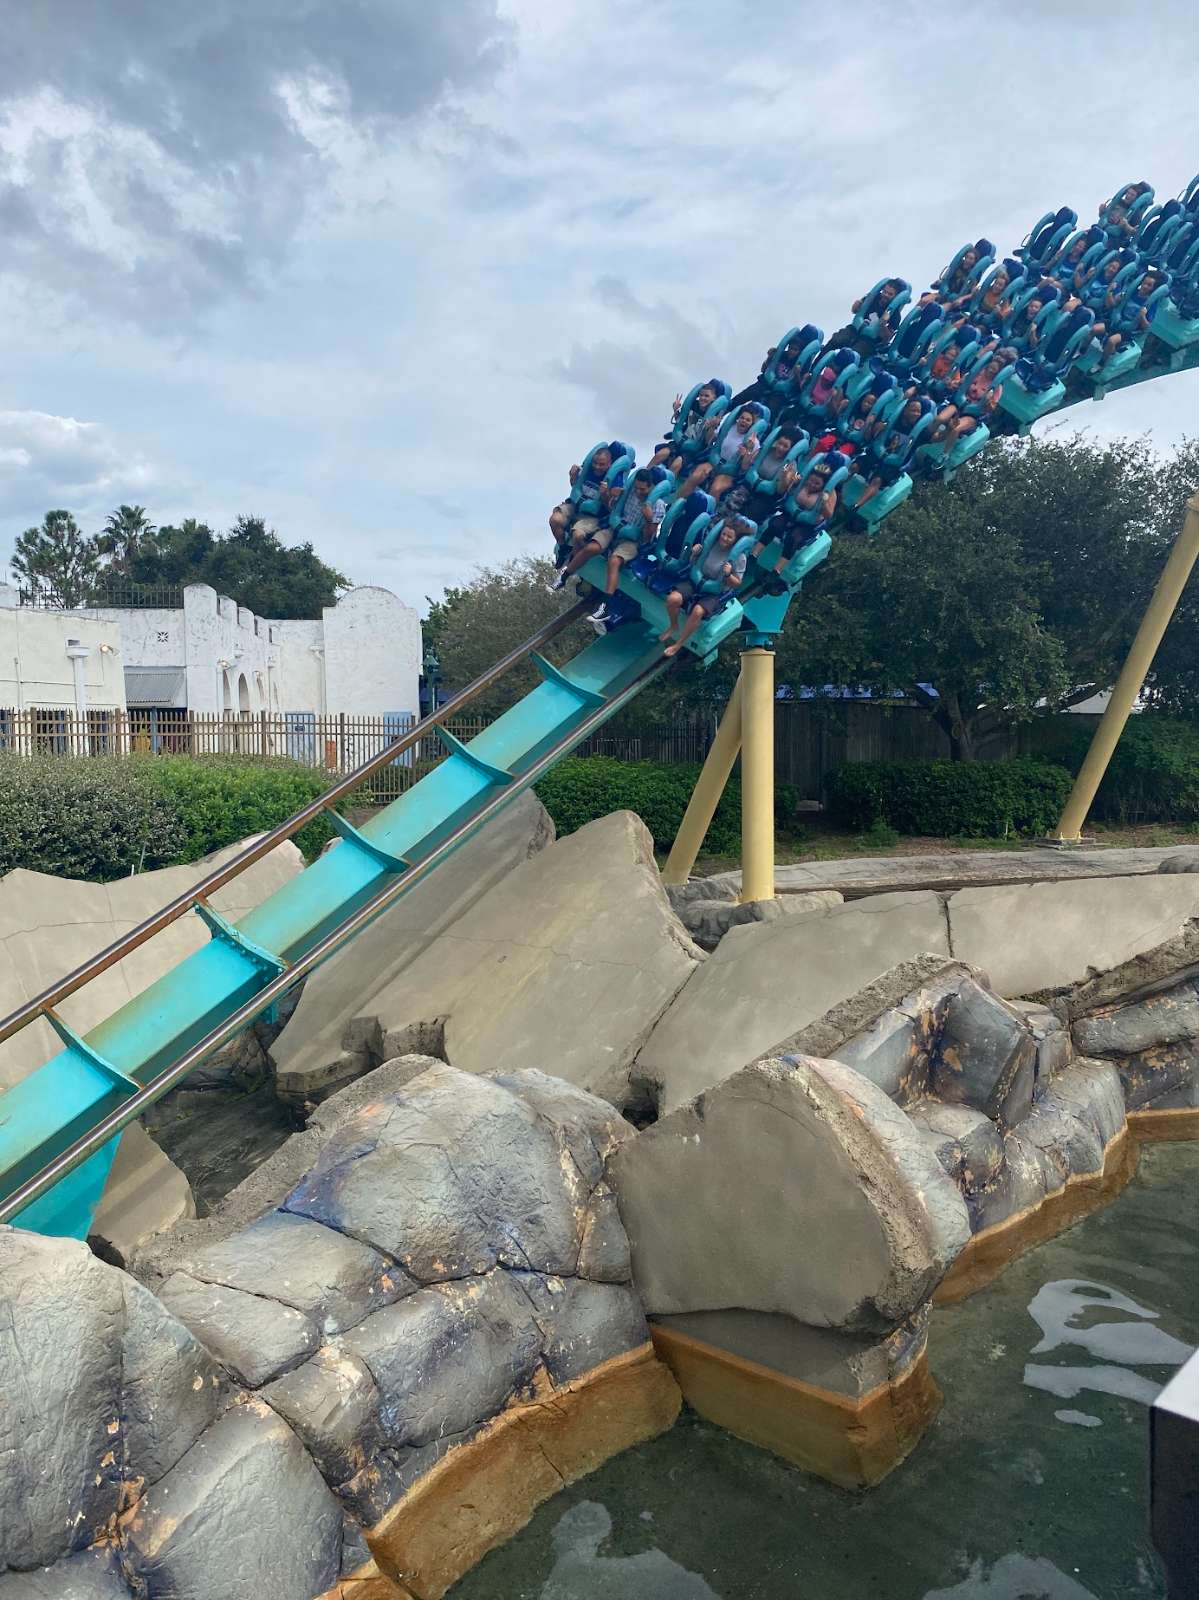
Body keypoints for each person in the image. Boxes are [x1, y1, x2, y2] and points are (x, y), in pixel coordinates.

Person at [658, 519, 751, 657]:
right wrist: (694, 553)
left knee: (698, 611)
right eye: (723, 534)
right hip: (697, 581)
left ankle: (678, 644)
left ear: (736, 540)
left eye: (729, 537)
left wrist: (728, 574)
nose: (724, 538)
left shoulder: (740, 557)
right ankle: (673, 625)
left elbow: (737, 583)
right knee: (673, 599)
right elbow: (693, 563)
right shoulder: (711, 544)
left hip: (715, 590)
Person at [587, 470, 667, 626]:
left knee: (614, 561)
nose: (637, 492)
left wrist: (649, 519)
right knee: (589, 541)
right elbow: (611, 510)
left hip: (635, 541)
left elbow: (647, 538)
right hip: (617, 531)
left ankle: (606, 605)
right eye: (636, 488)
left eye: (642, 489)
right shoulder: (629, 492)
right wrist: (610, 495)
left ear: (650, 488)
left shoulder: (658, 505)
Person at [677, 406, 764, 500]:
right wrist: (712, 427)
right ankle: (676, 503)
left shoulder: (755, 443)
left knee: (716, 488)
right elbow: (709, 441)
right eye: (742, 418)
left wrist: (747, 453)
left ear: (752, 424)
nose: (744, 421)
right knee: (695, 476)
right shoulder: (729, 427)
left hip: (731, 472)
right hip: (715, 462)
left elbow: (744, 467)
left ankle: (705, 513)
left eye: (748, 420)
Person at [649, 382, 721, 474]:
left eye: (706, 396)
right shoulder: (693, 405)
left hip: (694, 449)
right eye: (701, 395)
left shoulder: (714, 416)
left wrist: (712, 427)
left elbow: (708, 441)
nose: (703, 398)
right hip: (681, 441)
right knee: (660, 454)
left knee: (676, 464)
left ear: (713, 398)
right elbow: (680, 420)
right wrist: (676, 410)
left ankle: (667, 484)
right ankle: (642, 476)